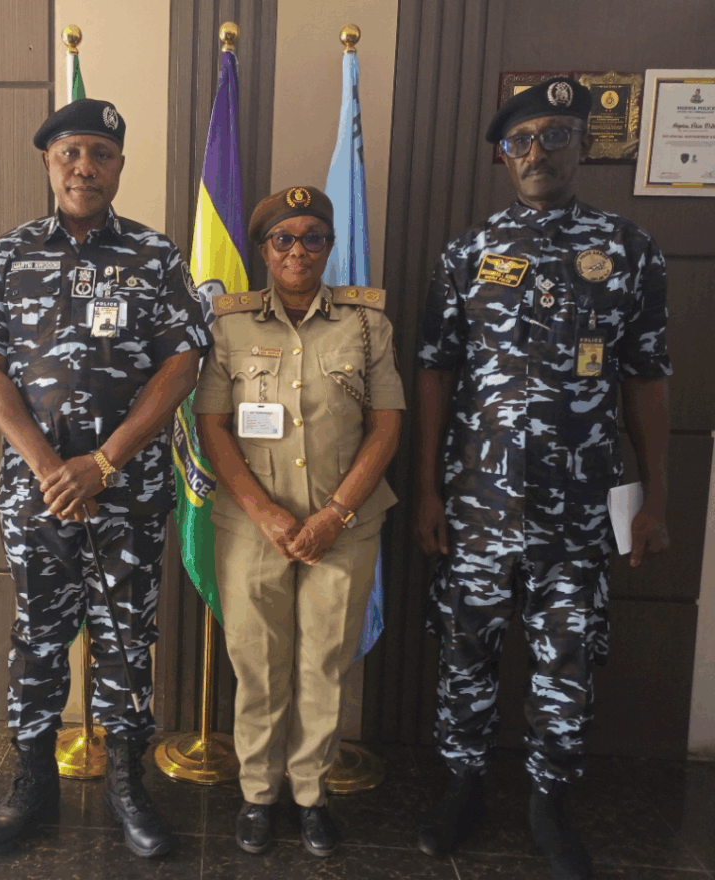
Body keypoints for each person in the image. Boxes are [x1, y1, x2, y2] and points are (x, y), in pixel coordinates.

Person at [413, 77, 671, 880]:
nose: (537, 153)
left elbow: (648, 378)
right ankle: (463, 782)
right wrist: (425, 489)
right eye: (521, 141)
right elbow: (435, 374)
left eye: (555, 137)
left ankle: (548, 800)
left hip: (579, 511)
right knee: (466, 649)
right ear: (502, 156)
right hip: (477, 504)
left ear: (580, 147)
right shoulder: (467, 252)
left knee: (566, 658)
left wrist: (657, 496)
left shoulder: (626, 250)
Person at [0, 98, 209, 858]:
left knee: (128, 637)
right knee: (38, 635)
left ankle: (130, 786)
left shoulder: (156, 257)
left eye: (100, 154)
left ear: (120, 167)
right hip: (37, 496)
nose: (85, 168)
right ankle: (32, 784)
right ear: (48, 164)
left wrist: (103, 463)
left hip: (126, 494)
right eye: (71, 154)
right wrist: (47, 465)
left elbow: (183, 363)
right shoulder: (8, 255)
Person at [193, 186, 404, 858]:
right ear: (262, 249)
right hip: (252, 527)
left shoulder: (367, 323)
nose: (299, 250)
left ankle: (309, 793)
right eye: (284, 238)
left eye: (314, 236)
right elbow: (212, 426)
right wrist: (265, 511)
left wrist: (336, 513)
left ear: (330, 246)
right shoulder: (228, 325)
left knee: (323, 664)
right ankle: (259, 792)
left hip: (346, 525)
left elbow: (387, 424)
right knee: (257, 665)